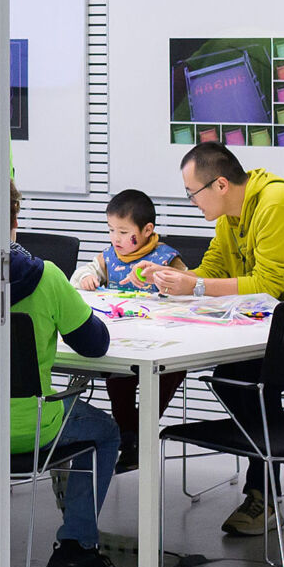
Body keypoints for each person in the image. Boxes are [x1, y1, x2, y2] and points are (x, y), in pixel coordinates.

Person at [144, 143, 284, 537]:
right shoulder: (232, 217)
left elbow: (268, 285)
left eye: (192, 192)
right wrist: (168, 278)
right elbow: (210, 270)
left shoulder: (276, 205)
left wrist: (193, 288)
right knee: (233, 377)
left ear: (221, 184)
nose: (191, 201)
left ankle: (263, 497)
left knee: (243, 380)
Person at [8, 182, 135, 567]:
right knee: (105, 433)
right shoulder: (44, 277)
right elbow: (95, 345)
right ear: (14, 221)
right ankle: (77, 550)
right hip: (29, 428)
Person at [70, 189, 187, 472]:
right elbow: (78, 276)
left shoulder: (166, 258)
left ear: (147, 230)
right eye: (111, 230)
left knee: (170, 373)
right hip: (122, 341)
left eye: (124, 231)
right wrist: (86, 278)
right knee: (117, 382)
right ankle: (129, 436)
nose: (116, 238)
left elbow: (190, 290)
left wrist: (166, 282)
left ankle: (141, 430)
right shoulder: (109, 258)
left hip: (161, 340)